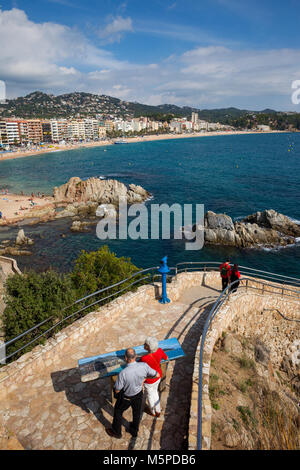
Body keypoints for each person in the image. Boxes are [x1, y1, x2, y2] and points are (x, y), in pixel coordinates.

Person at [106, 348, 159, 439]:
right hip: (138, 394)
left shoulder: (123, 373)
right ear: (135, 356)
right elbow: (156, 374)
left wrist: (116, 392)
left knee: (118, 412)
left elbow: (118, 389)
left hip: (126, 397)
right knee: (136, 413)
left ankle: (117, 432)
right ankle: (134, 431)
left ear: (126, 358)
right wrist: (144, 379)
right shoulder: (144, 366)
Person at [140, 337, 167, 417]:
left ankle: (153, 412)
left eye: (145, 344)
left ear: (148, 347)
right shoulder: (160, 350)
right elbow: (166, 358)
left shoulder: (144, 358)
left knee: (150, 395)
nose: (143, 345)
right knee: (155, 392)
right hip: (158, 376)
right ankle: (158, 410)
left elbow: (138, 366)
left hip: (149, 380)